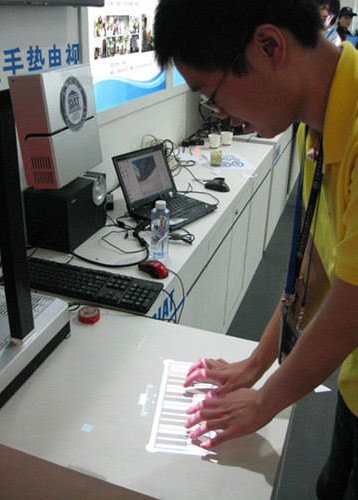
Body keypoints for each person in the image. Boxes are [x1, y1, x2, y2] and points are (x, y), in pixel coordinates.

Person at [154, 1, 358, 498]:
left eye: (211, 92)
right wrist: (256, 362)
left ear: (269, 46)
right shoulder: (321, 124)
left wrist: (265, 400)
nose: (220, 113)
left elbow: (354, 305)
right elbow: (317, 263)